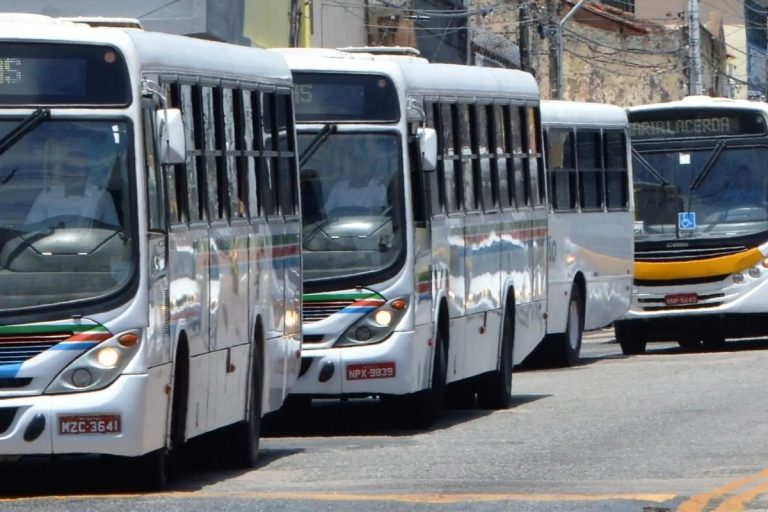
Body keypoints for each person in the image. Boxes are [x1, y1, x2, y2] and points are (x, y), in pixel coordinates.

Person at [26, 149, 119, 226]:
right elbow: (32, 229)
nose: (76, 175)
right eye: (72, 169)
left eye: (82, 170)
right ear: (62, 171)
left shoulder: (101, 196)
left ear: (87, 172)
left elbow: (112, 231)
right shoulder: (46, 196)